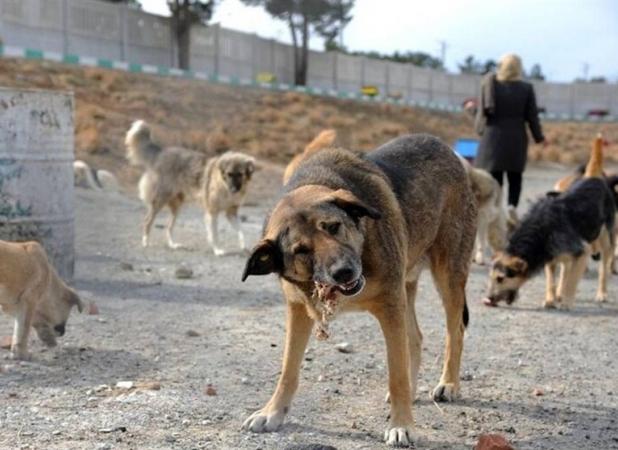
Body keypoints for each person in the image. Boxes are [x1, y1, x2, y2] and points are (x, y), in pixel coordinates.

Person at [475, 53, 545, 222]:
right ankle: (512, 206)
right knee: (515, 177)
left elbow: (482, 113)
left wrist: (478, 127)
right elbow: (532, 117)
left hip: (493, 138)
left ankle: (497, 211)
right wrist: (539, 137)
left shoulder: (490, 84)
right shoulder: (526, 88)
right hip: (516, 139)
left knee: (495, 178)